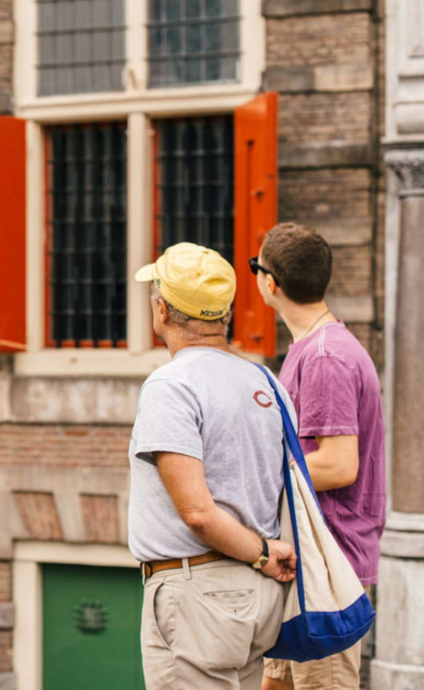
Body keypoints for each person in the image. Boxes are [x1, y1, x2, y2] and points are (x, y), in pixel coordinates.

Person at [129, 242, 298, 690]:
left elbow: (198, 513)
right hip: (260, 601)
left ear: (162, 309)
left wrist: (261, 554)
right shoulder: (267, 382)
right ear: (224, 314)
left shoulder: (171, 385)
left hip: (199, 595)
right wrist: (263, 555)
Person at [254, 223, 386, 690]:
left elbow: (338, 463)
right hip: (301, 565)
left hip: (327, 572)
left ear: (269, 282)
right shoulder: (311, 350)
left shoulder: (327, 356)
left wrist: (256, 472)